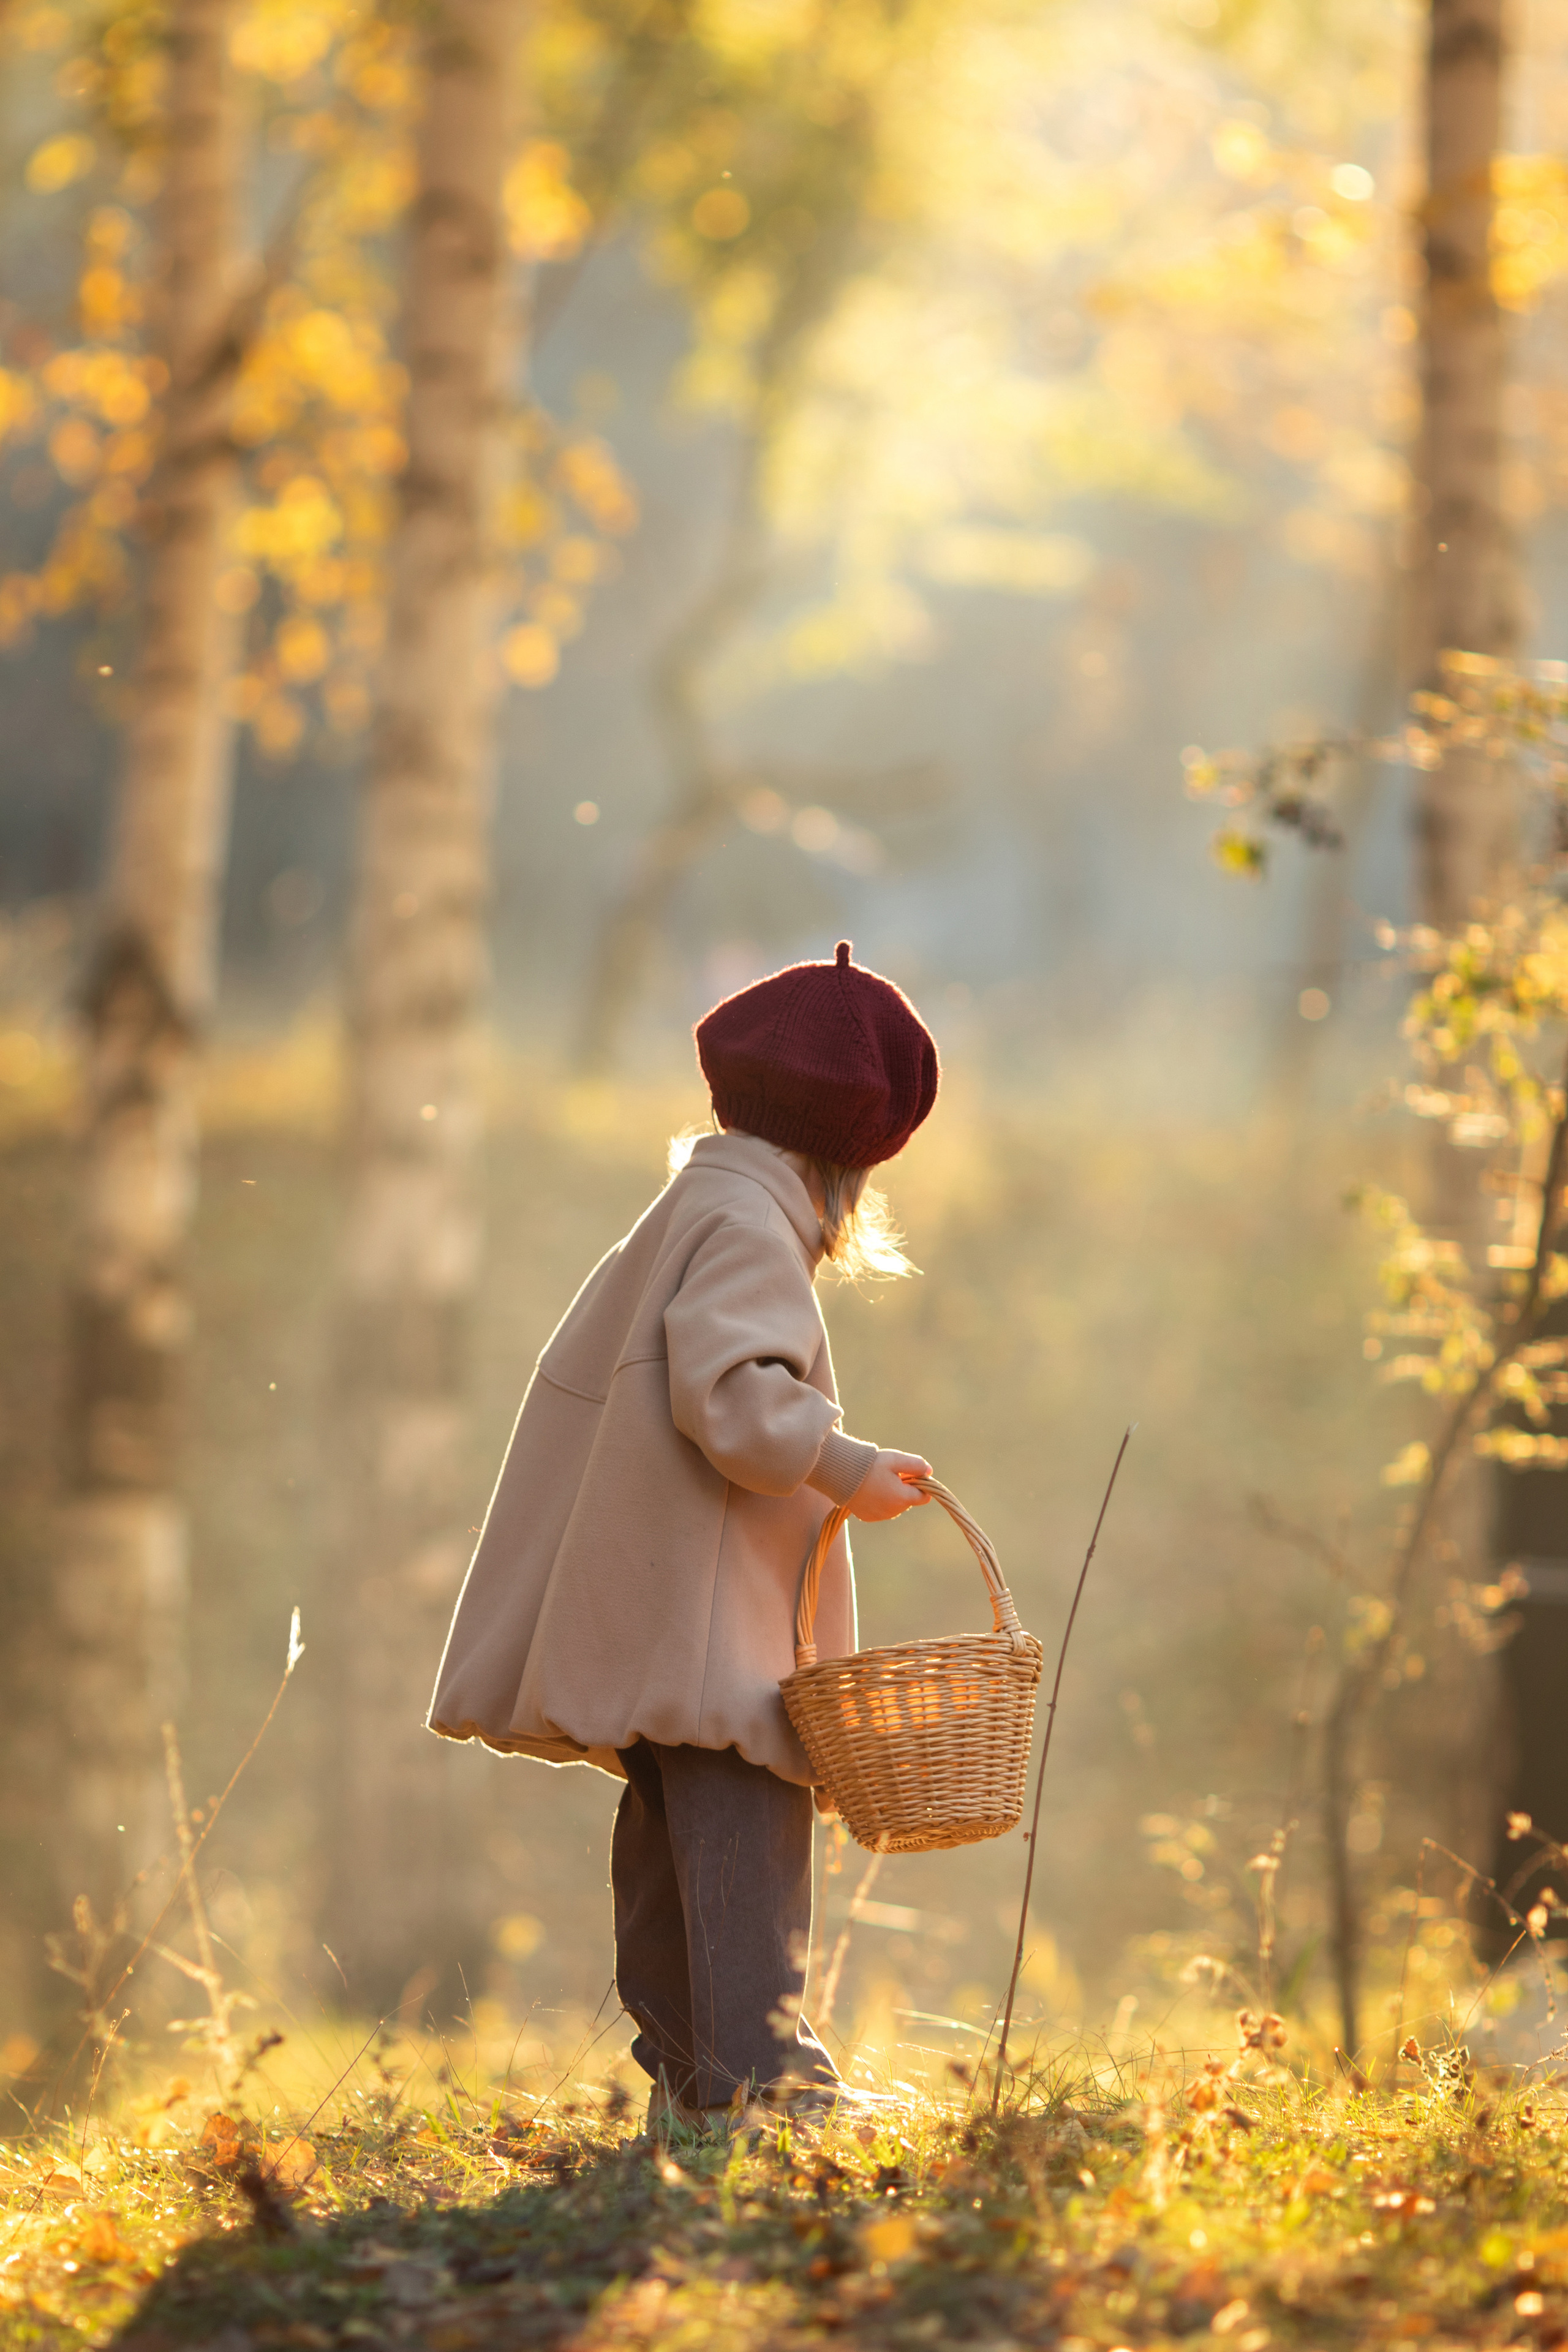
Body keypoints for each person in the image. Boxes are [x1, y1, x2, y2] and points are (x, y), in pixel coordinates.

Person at [428, 940, 940, 2131]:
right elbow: (732, 1395)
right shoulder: (754, 1227)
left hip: (664, 1616)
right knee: (745, 1858)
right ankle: (760, 2093)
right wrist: (844, 1463)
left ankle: (688, 2079)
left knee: (668, 1860)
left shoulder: (694, 1203)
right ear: (850, 1156)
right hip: (710, 1633)